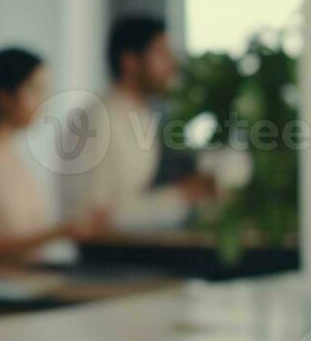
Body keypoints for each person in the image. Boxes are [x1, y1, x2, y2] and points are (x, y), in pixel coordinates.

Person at [0, 48, 107, 265]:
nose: (44, 103)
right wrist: (61, 232)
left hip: (21, 278)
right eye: (34, 91)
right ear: (4, 97)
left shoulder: (12, 156)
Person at [60, 16, 215, 232]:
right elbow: (91, 217)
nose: (173, 64)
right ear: (130, 61)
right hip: (103, 258)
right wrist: (180, 196)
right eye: (162, 54)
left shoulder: (143, 116)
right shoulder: (95, 120)